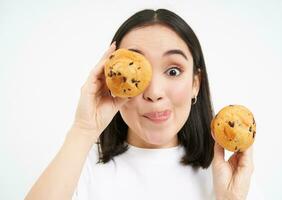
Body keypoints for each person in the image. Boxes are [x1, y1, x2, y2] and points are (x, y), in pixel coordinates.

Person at [25, 9, 256, 200]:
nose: (154, 93)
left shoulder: (229, 174)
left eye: (173, 71)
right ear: (110, 79)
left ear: (195, 84)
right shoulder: (78, 166)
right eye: (136, 69)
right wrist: (84, 128)